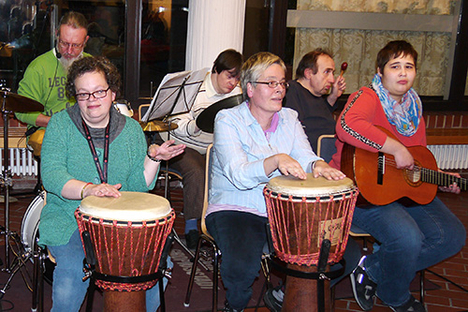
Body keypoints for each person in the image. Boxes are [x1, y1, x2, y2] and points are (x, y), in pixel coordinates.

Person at [205, 52, 358, 312]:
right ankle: (235, 306)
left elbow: (305, 155)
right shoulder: (228, 120)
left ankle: (284, 294)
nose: (280, 90)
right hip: (236, 207)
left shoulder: (289, 117)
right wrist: (274, 161)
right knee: (242, 266)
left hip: (283, 209)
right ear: (250, 89)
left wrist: (319, 165)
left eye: (282, 83)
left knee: (344, 253)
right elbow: (239, 175)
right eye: (271, 83)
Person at [38, 56, 185, 311]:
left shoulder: (130, 130)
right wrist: (88, 190)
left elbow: (137, 188)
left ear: (112, 93)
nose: (92, 100)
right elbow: (51, 176)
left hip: (120, 225)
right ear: (76, 96)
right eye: (83, 94)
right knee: (73, 271)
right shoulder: (60, 125)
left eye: (99, 92)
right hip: (68, 219)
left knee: (156, 268)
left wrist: (152, 158)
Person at [329, 40, 466, 312]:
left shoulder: (414, 110)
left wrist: (439, 177)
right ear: (380, 72)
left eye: (409, 66)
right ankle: (395, 296)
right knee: (407, 238)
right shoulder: (367, 96)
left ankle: (373, 269)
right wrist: (394, 147)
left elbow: (417, 160)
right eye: (395, 66)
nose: (403, 73)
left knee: (452, 236)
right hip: (360, 191)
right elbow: (347, 126)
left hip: (399, 193)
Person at [160, 49, 243, 249]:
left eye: (237, 78)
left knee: (232, 169)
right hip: (182, 142)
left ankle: (220, 221)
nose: (233, 83)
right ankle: (191, 226)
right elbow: (174, 122)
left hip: (212, 145)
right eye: (229, 76)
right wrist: (196, 125)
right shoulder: (194, 88)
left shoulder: (236, 93)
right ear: (216, 70)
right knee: (197, 171)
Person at [16, 11, 91, 153]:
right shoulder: (38, 67)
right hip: (47, 130)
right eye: (64, 43)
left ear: (85, 41)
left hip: (85, 131)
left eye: (76, 45)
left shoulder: (93, 67)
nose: (69, 51)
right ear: (56, 34)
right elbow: (22, 111)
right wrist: (53, 122)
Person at [283, 48, 346, 153]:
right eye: (327, 72)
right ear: (308, 73)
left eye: (332, 73)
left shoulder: (315, 95)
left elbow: (317, 115)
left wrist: (333, 96)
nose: (332, 80)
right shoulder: (293, 91)